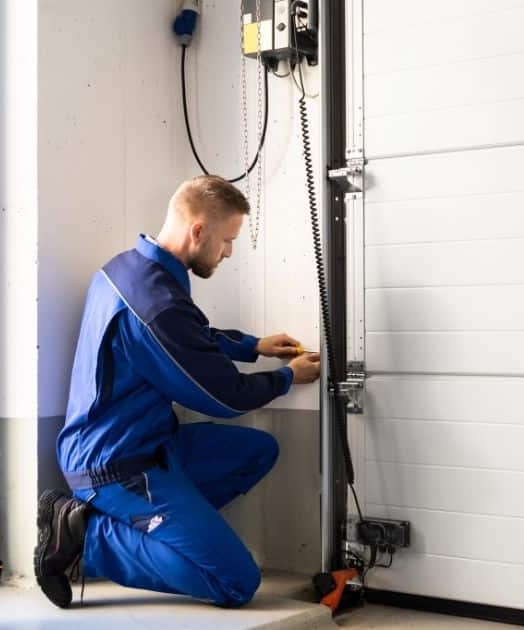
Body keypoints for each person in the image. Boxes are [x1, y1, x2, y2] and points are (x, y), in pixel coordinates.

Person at [34, 175, 322, 609]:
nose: (228, 252)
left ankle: (160, 533)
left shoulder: (129, 269)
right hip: (115, 467)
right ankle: (87, 536)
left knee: (258, 451)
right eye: (227, 240)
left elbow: (189, 336)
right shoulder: (155, 305)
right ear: (198, 231)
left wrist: (252, 346)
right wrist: (286, 378)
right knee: (236, 582)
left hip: (150, 445)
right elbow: (225, 397)